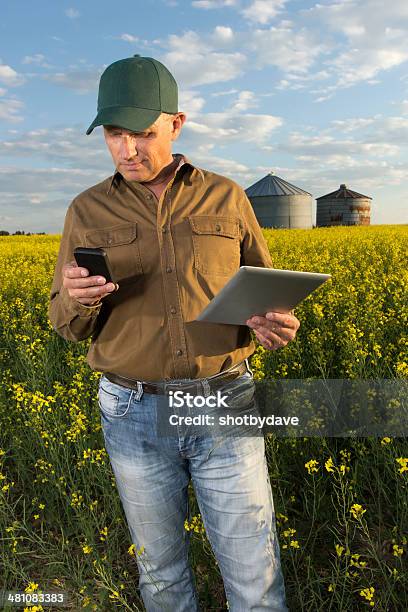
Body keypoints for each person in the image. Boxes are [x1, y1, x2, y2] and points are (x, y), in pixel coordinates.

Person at [48, 54, 300, 612]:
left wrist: (275, 324)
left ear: (177, 124)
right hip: (132, 411)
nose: (127, 149)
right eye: (114, 134)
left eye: (142, 133)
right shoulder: (85, 209)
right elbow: (64, 324)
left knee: (256, 577)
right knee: (161, 576)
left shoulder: (227, 197)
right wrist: (75, 299)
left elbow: (268, 295)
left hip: (226, 401)